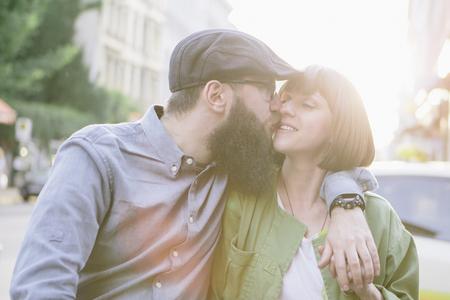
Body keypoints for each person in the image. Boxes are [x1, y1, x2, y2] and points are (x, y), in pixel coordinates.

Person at [11, 30, 378, 299]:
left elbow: (322, 158)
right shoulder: (98, 157)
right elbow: (41, 285)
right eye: (268, 94)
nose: (277, 107)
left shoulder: (234, 163)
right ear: (217, 95)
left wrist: (345, 204)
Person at [209, 66, 419, 300]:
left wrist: (366, 291)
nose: (285, 109)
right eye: (285, 100)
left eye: (307, 105)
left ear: (339, 127)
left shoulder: (381, 219)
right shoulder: (244, 199)